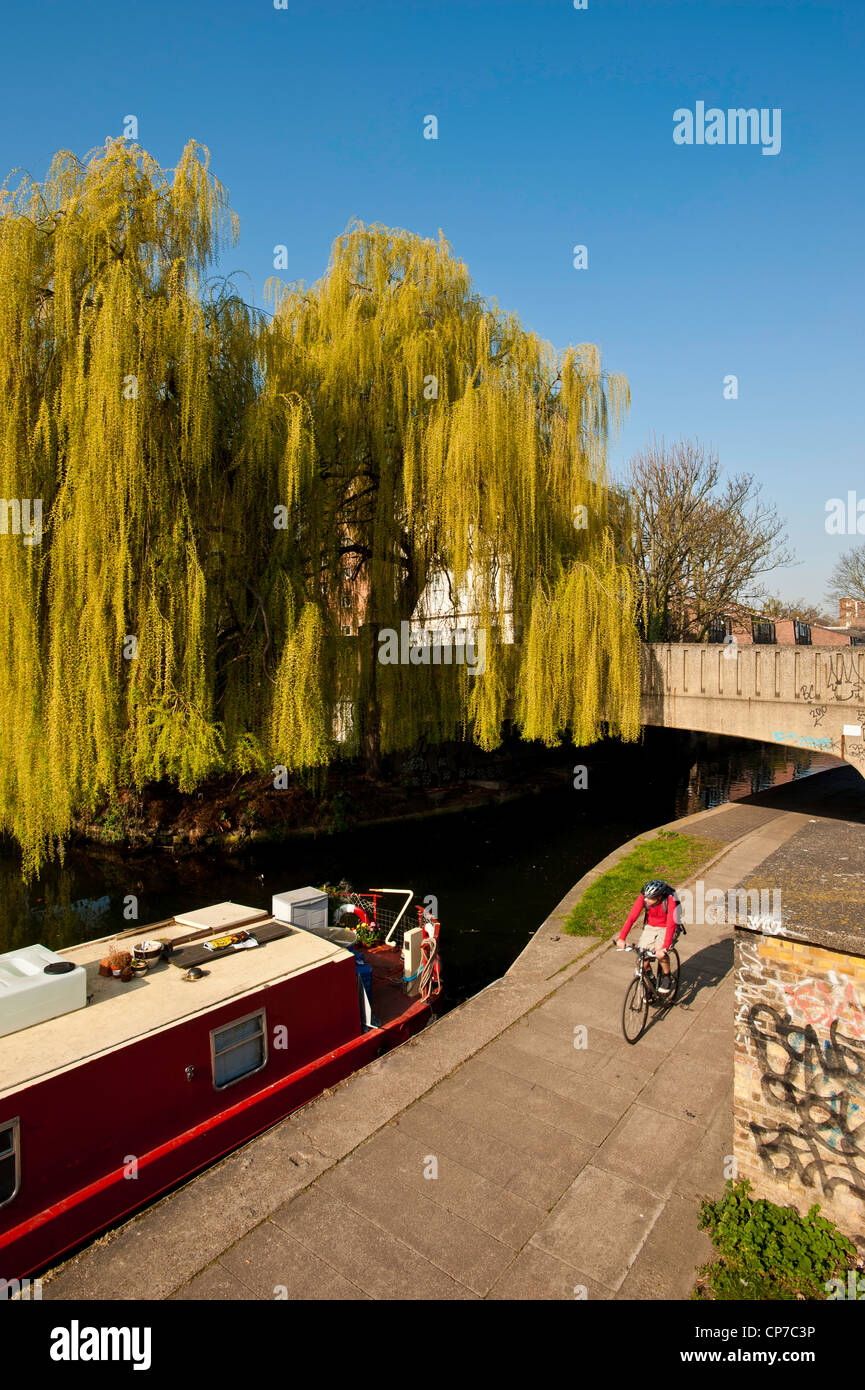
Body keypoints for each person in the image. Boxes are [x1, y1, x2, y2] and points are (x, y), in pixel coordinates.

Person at [616, 879, 678, 994]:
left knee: (660, 953)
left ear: (659, 897)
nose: (646, 900)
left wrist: (665, 947)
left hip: (666, 927)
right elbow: (632, 917)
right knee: (642, 958)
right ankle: (651, 980)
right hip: (650, 926)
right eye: (645, 897)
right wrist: (622, 938)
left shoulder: (670, 900)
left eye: (650, 898)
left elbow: (671, 924)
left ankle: (667, 976)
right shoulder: (645, 897)